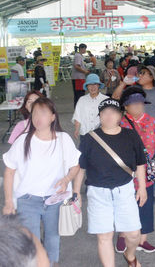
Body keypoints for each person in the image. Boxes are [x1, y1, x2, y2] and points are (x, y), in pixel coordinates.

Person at [2, 97, 81, 265]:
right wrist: (9, 202)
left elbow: (75, 165)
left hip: (54, 199)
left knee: (53, 238)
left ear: (53, 117)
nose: (38, 117)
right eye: (35, 113)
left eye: (43, 113)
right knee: (32, 243)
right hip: (28, 200)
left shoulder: (63, 139)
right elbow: (9, 172)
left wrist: (67, 179)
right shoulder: (23, 140)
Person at [73, 98, 147, 267]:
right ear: (99, 116)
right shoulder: (90, 139)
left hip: (125, 190)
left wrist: (141, 187)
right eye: (104, 113)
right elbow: (81, 167)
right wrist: (76, 191)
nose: (108, 116)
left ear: (120, 115)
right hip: (98, 193)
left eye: (113, 112)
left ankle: (130, 255)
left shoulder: (130, 135)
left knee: (134, 234)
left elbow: (141, 162)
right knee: (104, 236)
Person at [115, 87, 155, 254]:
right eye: (133, 104)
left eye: (140, 103)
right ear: (125, 106)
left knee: (146, 205)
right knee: (125, 205)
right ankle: (122, 236)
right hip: (125, 173)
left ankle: (142, 240)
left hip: (147, 172)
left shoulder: (150, 121)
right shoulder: (120, 122)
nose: (138, 107)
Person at [113, 66, 155, 143]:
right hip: (132, 132)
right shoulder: (132, 90)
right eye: (140, 73)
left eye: (143, 73)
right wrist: (124, 83)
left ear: (151, 77)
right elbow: (115, 97)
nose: (139, 75)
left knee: (152, 154)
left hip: (151, 133)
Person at [72, 74, 109, 140]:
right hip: (85, 134)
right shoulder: (82, 99)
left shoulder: (105, 100)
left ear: (98, 86)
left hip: (102, 135)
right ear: (87, 86)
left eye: (95, 84)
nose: (93, 87)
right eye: (90, 85)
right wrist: (76, 129)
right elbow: (77, 116)